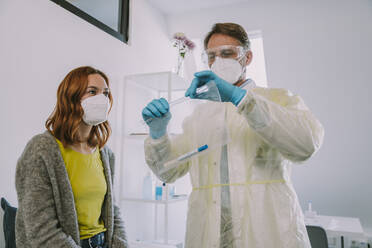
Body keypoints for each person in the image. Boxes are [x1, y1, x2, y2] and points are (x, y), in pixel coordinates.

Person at [142, 23, 324, 248]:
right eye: (211, 56)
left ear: (247, 57)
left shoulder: (278, 100)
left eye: (227, 53)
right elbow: (168, 171)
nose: (218, 61)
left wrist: (242, 99)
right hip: (209, 238)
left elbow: (306, 144)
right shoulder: (199, 118)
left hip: (269, 236)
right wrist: (158, 134)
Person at [15, 66, 128, 248]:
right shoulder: (41, 150)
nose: (102, 99)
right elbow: (40, 229)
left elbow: (112, 211)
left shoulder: (105, 153)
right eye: (92, 92)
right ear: (71, 97)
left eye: (106, 93)